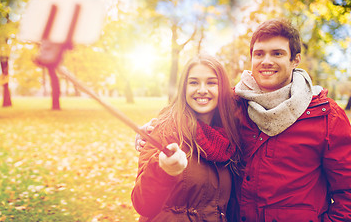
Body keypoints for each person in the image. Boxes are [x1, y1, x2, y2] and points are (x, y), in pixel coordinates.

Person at [135, 19, 351, 222]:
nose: (267, 61)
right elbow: (195, 103)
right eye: (259, 54)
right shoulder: (236, 105)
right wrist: (152, 130)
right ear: (252, 59)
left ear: (295, 59)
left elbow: (347, 194)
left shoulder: (325, 115)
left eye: (277, 53)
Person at [131, 54, 242, 221]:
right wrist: (162, 170)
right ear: (184, 88)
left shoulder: (230, 134)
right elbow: (142, 204)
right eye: (194, 82)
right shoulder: (166, 129)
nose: (202, 90)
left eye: (211, 82)